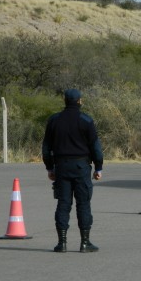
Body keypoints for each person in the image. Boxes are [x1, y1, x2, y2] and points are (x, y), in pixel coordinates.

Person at [42, 89, 104, 253]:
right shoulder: (86, 120)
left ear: (65, 101)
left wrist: (49, 167)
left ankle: (61, 243)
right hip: (81, 166)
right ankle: (85, 243)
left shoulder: (54, 120)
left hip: (61, 167)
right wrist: (98, 167)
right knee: (83, 204)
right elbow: (95, 147)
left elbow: (46, 148)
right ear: (79, 101)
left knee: (63, 204)